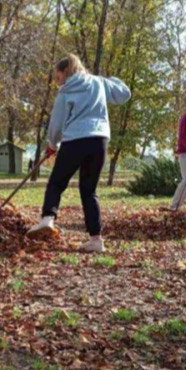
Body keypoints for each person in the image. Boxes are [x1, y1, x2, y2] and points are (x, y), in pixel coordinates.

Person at [27, 54, 131, 252]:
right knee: (89, 190)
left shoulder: (65, 91)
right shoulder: (99, 83)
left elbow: (57, 122)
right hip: (100, 140)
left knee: (57, 182)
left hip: (75, 139)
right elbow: (124, 94)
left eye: (58, 78)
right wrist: (111, 79)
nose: (58, 83)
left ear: (66, 72)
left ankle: (48, 218)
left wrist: (52, 143)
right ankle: (96, 240)